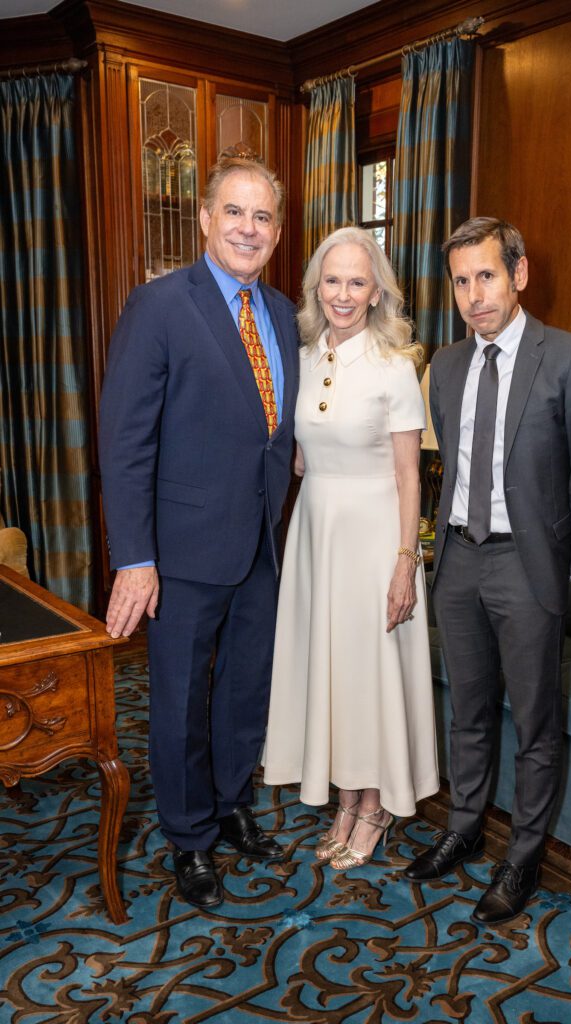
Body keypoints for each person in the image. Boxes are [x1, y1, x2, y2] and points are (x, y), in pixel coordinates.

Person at [98, 156, 300, 909]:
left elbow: (271, 431)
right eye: (235, 213)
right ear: (206, 219)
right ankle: (188, 838)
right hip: (180, 552)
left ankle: (227, 804)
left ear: (276, 232)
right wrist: (136, 558)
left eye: (263, 217)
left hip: (259, 543)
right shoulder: (157, 306)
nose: (249, 228)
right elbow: (125, 444)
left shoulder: (281, 312)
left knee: (245, 690)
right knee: (180, 697)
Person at [404, 217, 571, 923]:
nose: (473, 295)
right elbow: (450, 470)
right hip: (458, 562)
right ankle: (463, 829)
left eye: (486, 276)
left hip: (528, 570)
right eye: (461, 281)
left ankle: (521, 858)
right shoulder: (449, 365)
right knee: (465, 713)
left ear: (518, 275)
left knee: (532, 725)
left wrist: (557, 574)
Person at [263, 226, 439, 868]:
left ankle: (372, 806)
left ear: (375, 292)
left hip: (373, 539)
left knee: (367, 676)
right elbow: (302, 457)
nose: (342, 293)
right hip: (316, 534)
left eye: (356, 282)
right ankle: (344, 798)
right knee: (331, 671)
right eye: (331, 280)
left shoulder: (397, 364)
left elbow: (406, 476)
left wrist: (404, 561)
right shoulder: (305, 356)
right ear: (316, 287)